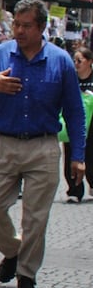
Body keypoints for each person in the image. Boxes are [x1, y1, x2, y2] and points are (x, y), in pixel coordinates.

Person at [0, 0, 86, 288]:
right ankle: (13, 250)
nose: (19, 31)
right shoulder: (0, 53)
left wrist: (78, 156)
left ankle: (26, 276)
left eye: (26, 26)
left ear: (41, 27)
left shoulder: (60, 60)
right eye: (16, 24)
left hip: (43, 146)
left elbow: (75, 111)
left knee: (36, 217)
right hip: (3, 143)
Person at [61, 47, 93, 202]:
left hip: (92, 124)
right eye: (74, 61)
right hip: (74, 122)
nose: (76, 64)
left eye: (80, 61)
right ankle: (74, 190)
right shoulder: (71, 79)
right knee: (71, 156)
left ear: (90, 62)